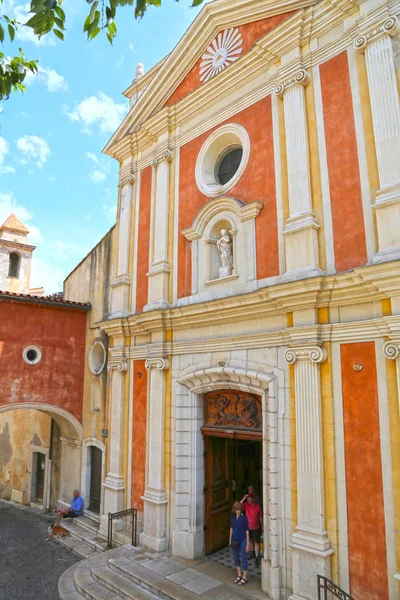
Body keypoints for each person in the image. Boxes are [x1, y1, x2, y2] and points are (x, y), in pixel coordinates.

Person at [229, 501, 250, 586]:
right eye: (237, 509)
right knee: (236, 557)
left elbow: (247, 531)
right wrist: (229, 541)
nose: (238, 511)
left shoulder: (244, 518)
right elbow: (231, 528)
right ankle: (239, 574)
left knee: (244, 557)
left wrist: (248, 543)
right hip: (234, 540)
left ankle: (245, 577)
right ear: (234, 509)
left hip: (242, 540)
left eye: (240, 509)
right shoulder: (233, 517)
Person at [240, 492, 263, 566]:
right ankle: (252, 552)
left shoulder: (258, 507)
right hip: (248, 527)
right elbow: (238, 506)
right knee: (249, 540)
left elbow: (260, 517)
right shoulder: (246, 505)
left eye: (250, 499)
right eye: (248, 499)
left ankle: (257, 557)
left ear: (253, 499)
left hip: (256, 527)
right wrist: (244, 498)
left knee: (256, 542)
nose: (249, 501)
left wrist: (262, 526)